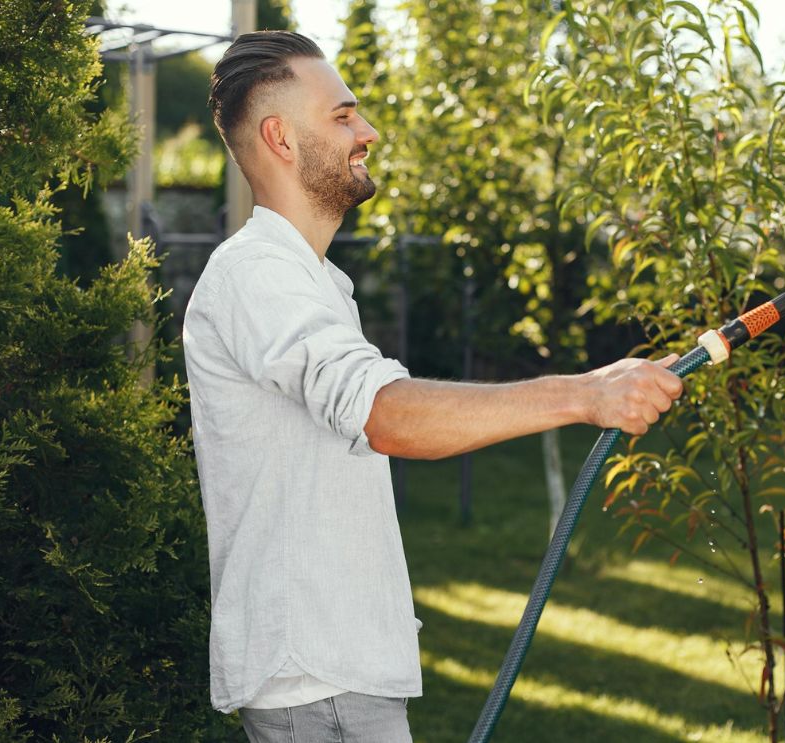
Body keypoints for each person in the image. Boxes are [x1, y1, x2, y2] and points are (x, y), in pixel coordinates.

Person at [184, 30, 684, 742]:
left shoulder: (313, 283)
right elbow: (385, 415)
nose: (369, 131)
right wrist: (585, 393)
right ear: (281, 139)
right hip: (317, 684)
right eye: (342, 115)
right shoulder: (256, 275)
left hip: (335, 673)